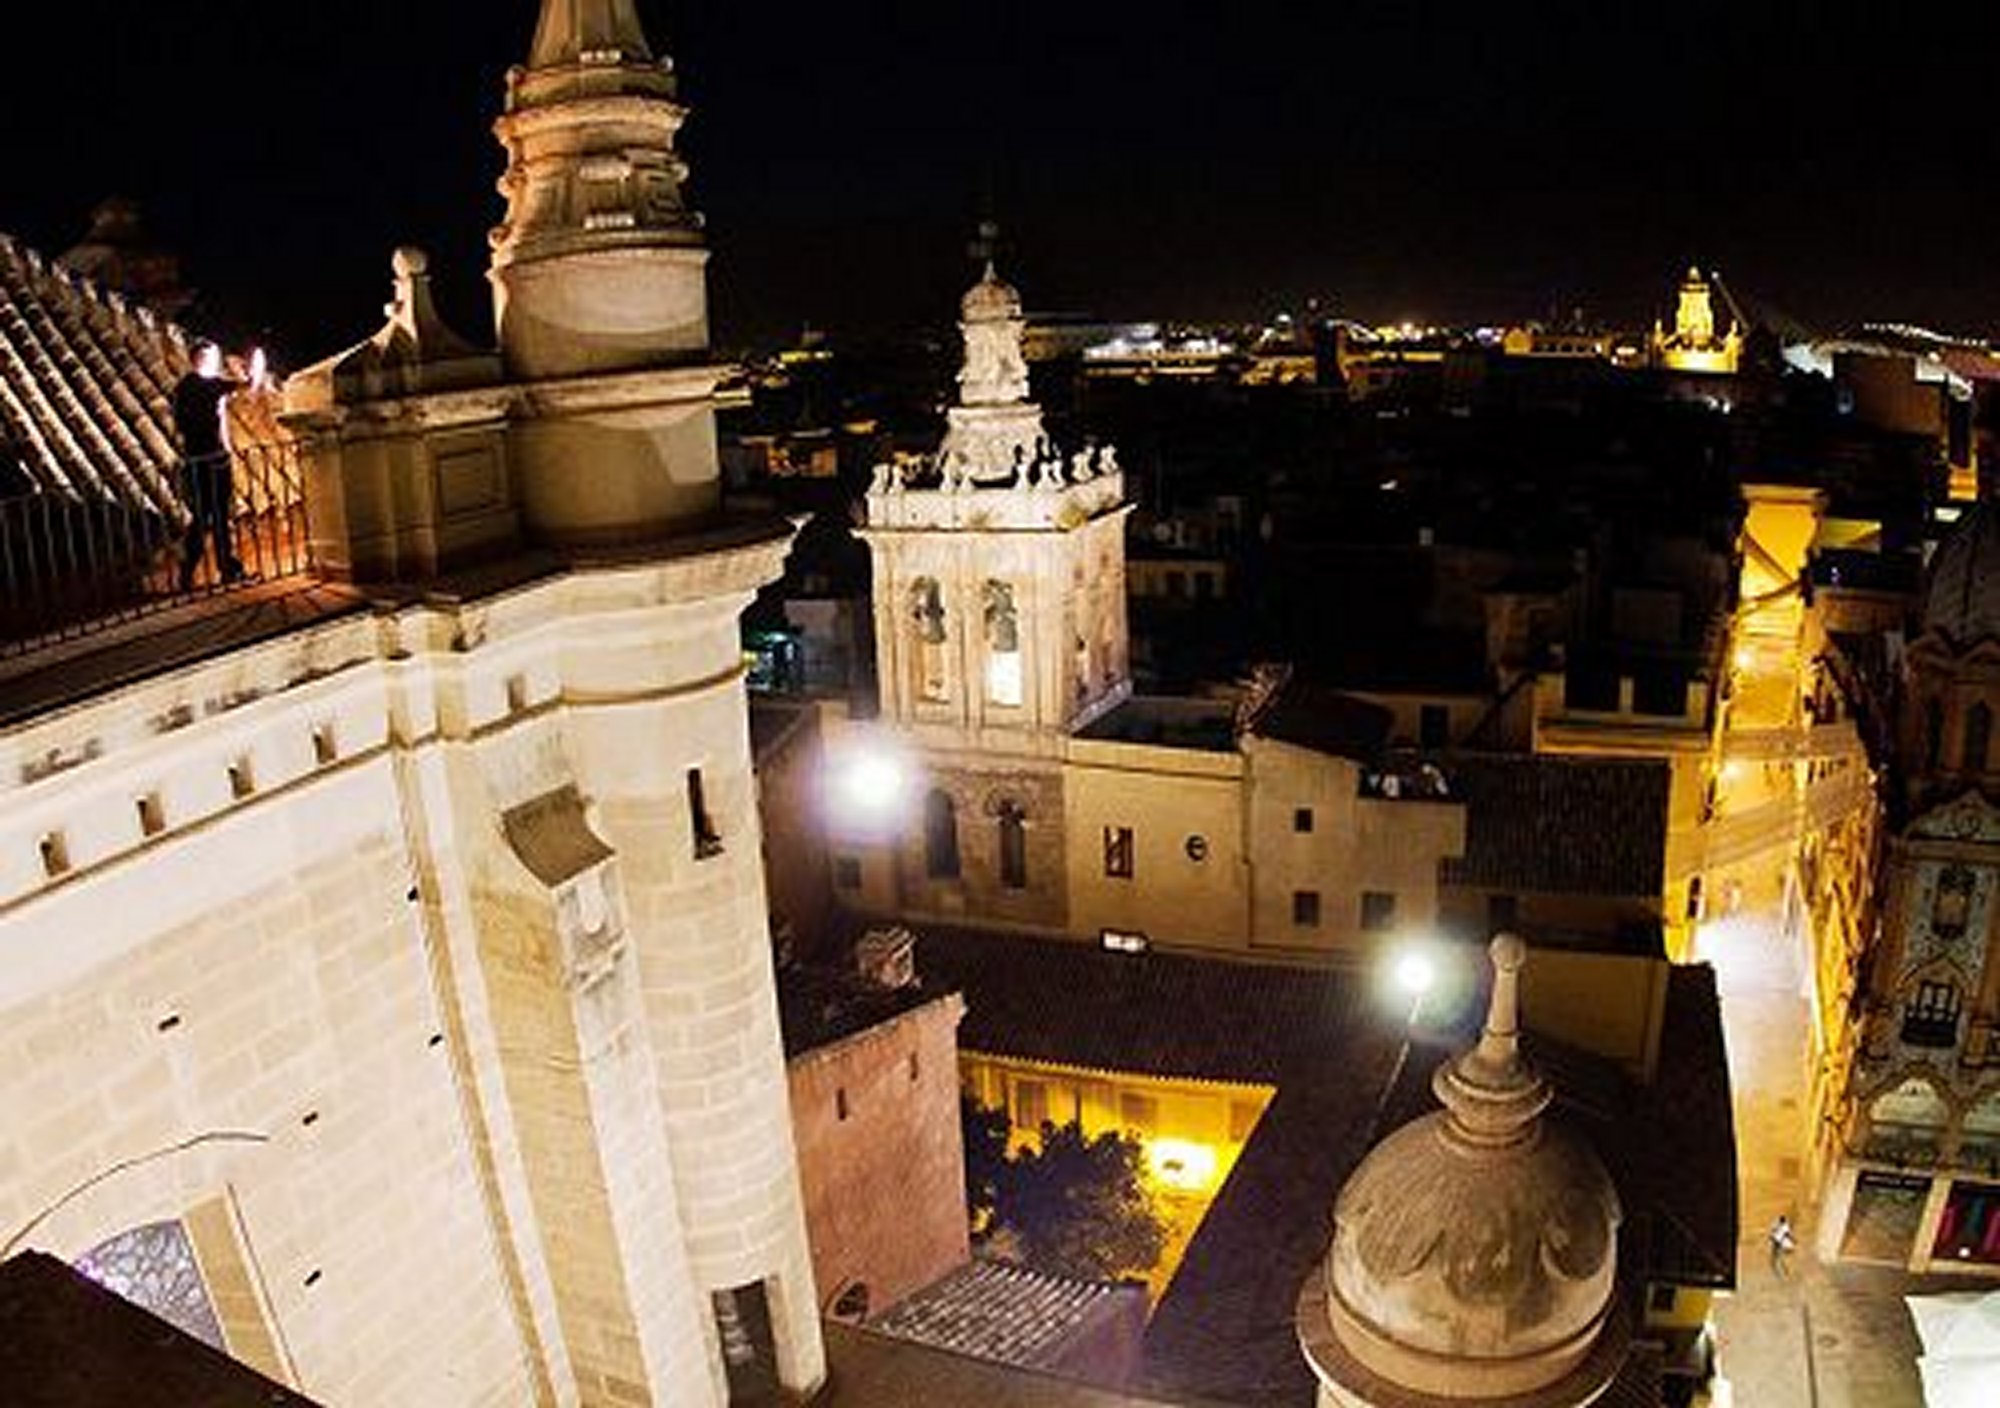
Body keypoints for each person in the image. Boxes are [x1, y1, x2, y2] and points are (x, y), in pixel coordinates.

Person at [170, 339, 245, 589]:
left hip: (202, 459)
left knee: (211, 517)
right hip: (207, 459)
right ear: (200, 359)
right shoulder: (200, 386)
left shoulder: (185, 388)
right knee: (210, 516)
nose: (216, 361)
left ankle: (215, 567)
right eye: (211, 357)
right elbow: (238, 387)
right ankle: (209, 567)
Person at [1769, 1213, 1797, 1278]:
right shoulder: (1783, 1227)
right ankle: (1783, 1271)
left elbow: (1773, 1232)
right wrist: (1793, 1240)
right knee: (1779, 1258)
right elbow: (1787, 1234)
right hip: (1778, 1243)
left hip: (1777, 1243)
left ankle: (1781, 1270)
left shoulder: (1777, 1225)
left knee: (1777, 1258)